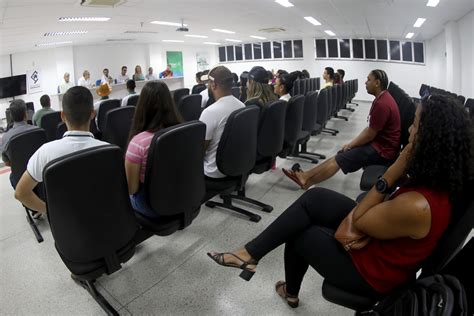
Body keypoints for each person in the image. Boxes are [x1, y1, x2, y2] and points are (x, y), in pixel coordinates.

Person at [207, 94, 473, 307]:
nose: (410, 129)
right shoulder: (435, 180)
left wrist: (391, 174)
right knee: (316, 198)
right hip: (383, 243)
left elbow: (361, 219)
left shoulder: (419, 205)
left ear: (431, 139)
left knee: (300, 234)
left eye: (415, 124)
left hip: (373, 273)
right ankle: (249, 254)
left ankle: (289, 290)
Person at [282, 70, 401, 189]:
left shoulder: (382, 104)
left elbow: (370, 134)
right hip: (379, 144)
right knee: (341, 154)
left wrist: (351, 144)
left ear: (377, 83)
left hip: (382, 151)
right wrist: (351, 144)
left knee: (340, 159)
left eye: (369, 80)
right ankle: (306, 178)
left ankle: (307, 180)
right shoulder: (382, 98)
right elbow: (370, 129)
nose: (365, 82)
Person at [14, 87, 108, 214]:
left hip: (66, 229)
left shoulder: (45, 153)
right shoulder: (109, 150)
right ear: (93, 114)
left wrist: (50, 212)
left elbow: (20, 193)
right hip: (105, 221)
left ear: (63, 116)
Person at [124, 81, 182, 218]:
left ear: (142, 106)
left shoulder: (138, 143)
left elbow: (131, 189)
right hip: (181, 197)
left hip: (152, 207)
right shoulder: (182, 131)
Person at [199, 66, 245, 178]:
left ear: (213, 85)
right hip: (237, 166)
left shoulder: (209, 112)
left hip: (214, 171)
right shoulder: (242, 106)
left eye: (208, 83)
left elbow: (200, 150)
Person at [1, 100, 39, 187]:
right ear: (26, 114)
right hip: (39, 172)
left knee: (12, 176)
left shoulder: (6, 137)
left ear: (11, 117)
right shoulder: (39, 131)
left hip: (20, 178)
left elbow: (7, 163)